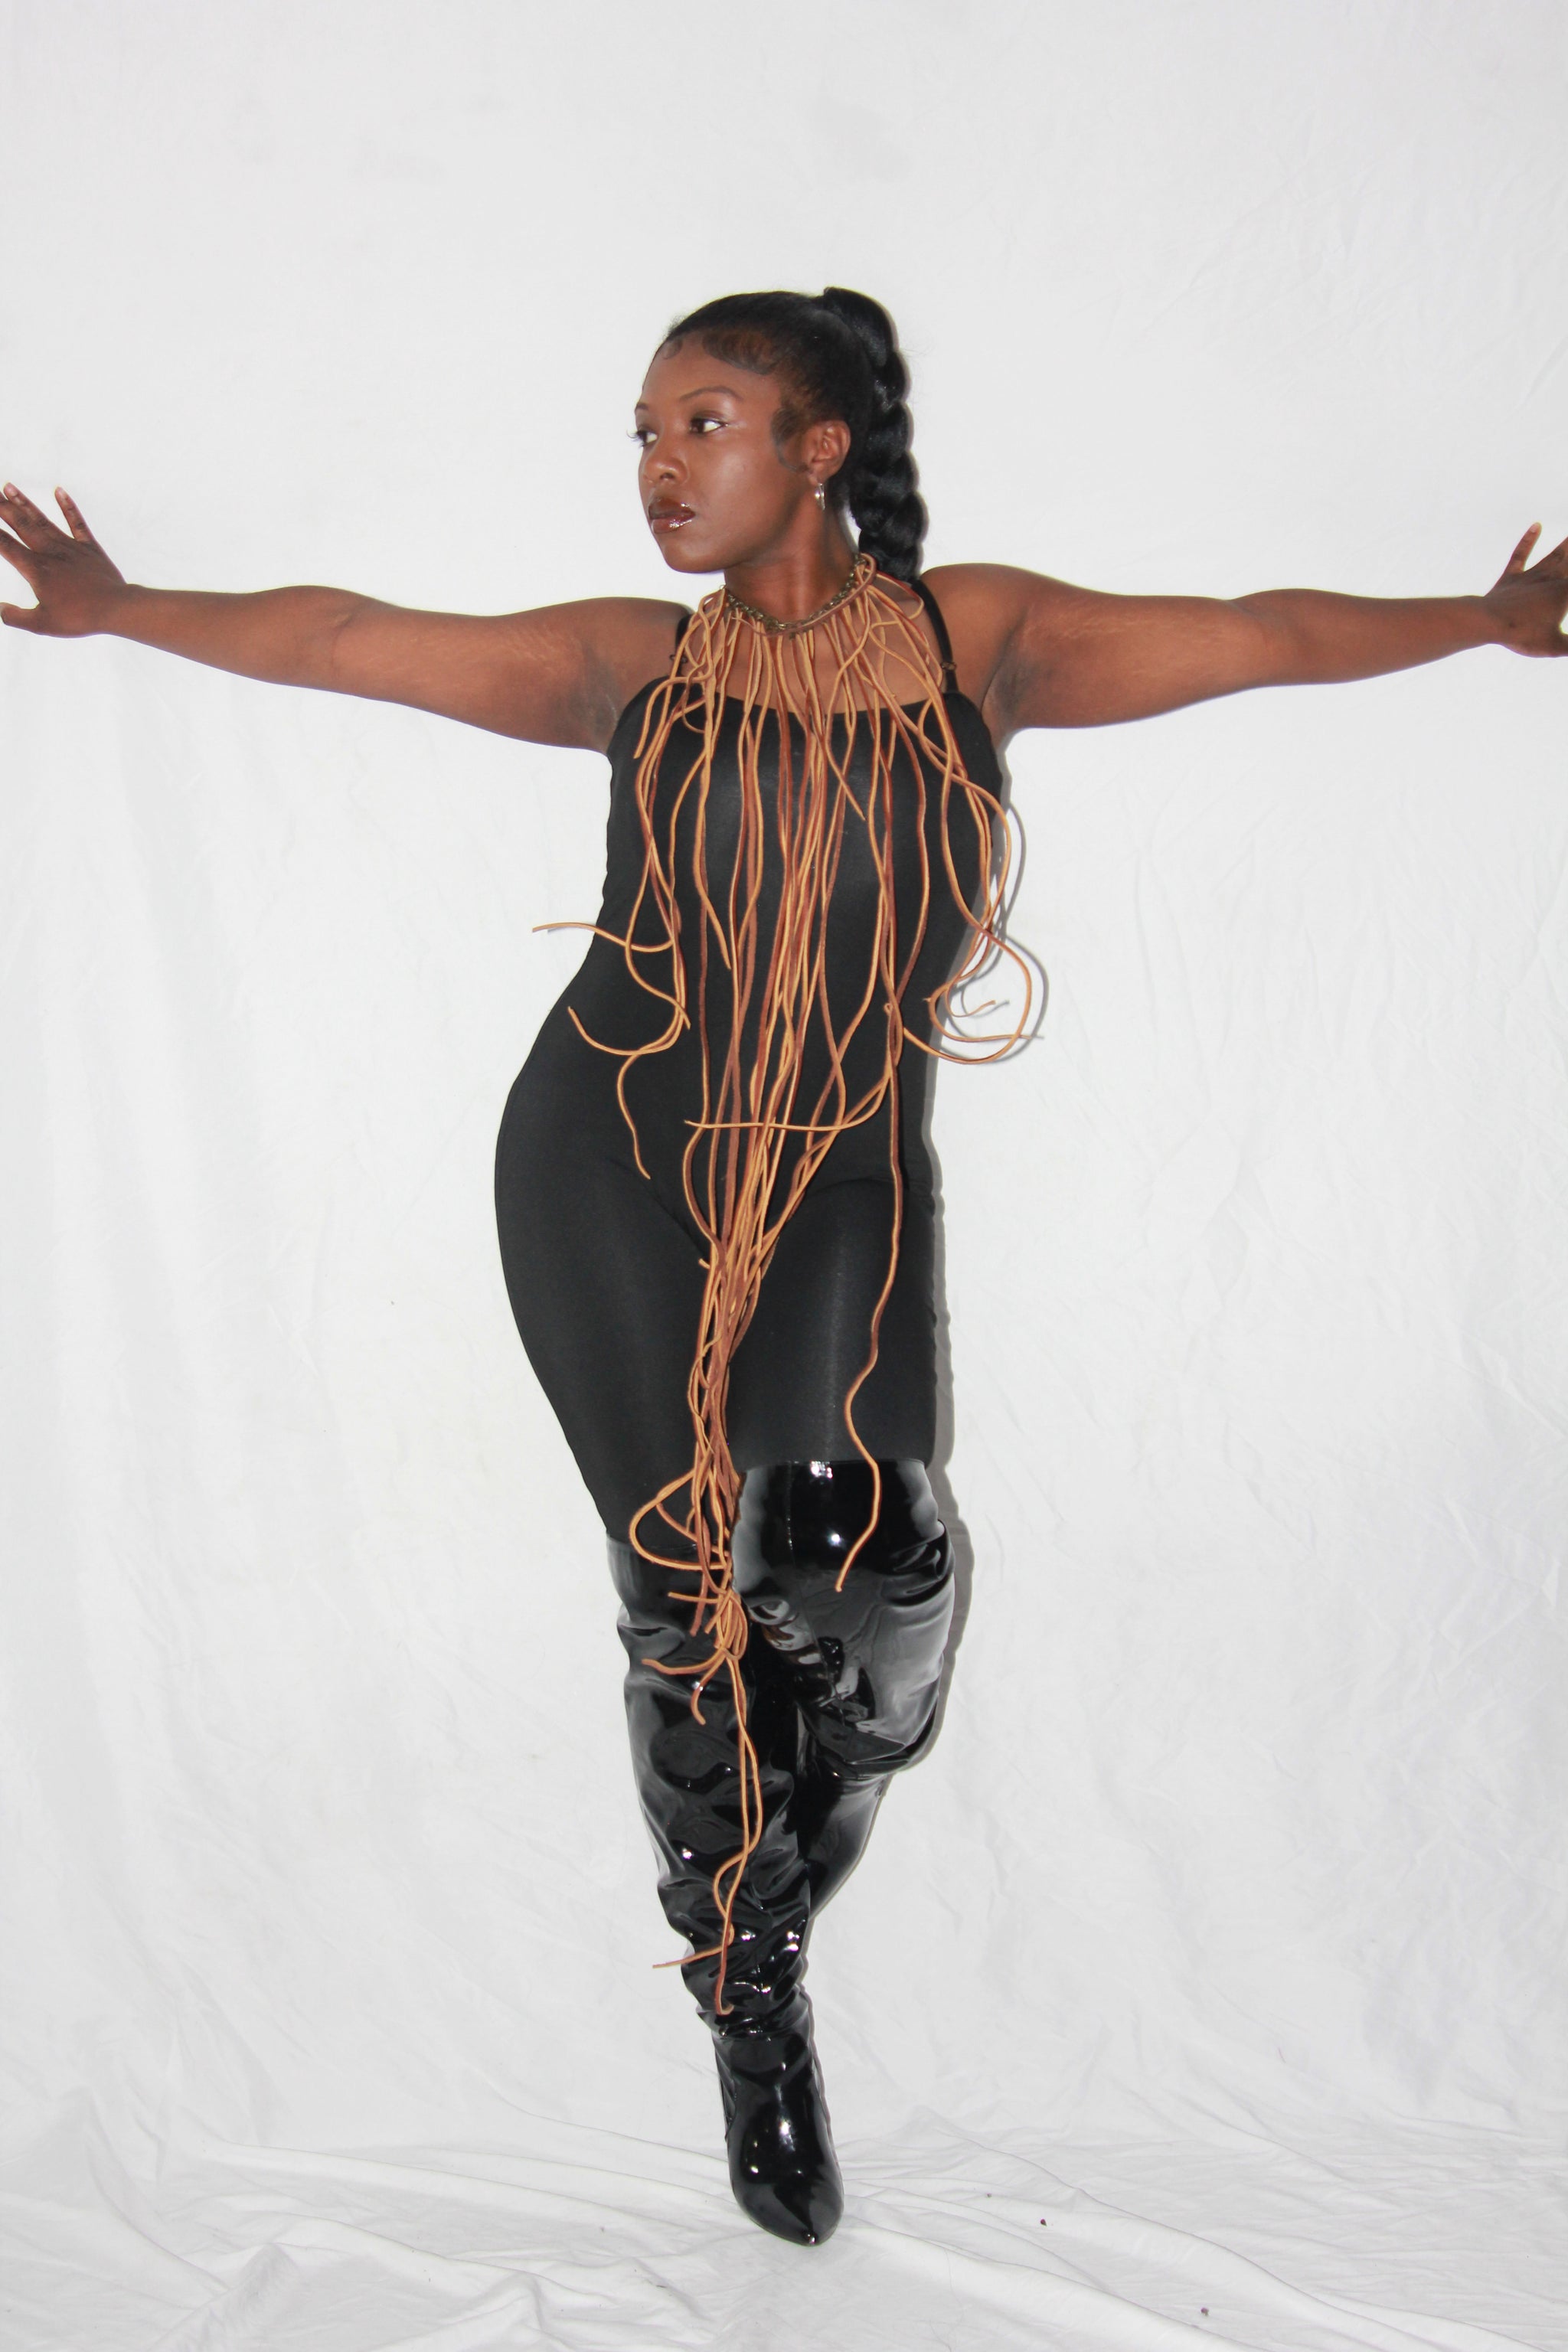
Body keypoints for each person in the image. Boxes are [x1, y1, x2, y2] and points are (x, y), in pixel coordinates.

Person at [4, 287, 1563, 2249]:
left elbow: (1264, 631)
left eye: (704, 424)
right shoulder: (629, 666)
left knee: (857, 1536)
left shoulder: (979, 642)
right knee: (682, 1601)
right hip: (607, 1153)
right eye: (644, 435)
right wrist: (121, 607)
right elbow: (339, 635)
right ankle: (752, 2004)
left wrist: (1484, 622)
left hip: (838, 1170)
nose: (660, 468)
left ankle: (843, 1774)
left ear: (816, 450)